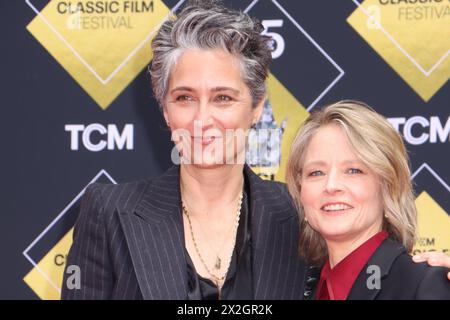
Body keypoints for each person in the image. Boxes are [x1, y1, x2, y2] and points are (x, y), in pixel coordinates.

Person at [61, 1, 450, 300]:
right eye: (184, 97)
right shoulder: (109, 211)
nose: (203, 119)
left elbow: (372, 273)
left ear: (257, 105)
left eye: (223, 98)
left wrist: (430, 277)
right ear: (164, 108)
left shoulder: (303, 215)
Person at [286, 100, 450, 300]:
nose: (331, 185)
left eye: (353, 170)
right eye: (316, 172)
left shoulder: (425, 284)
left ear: (388, 186)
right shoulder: (294, 287)